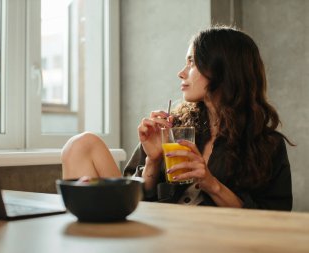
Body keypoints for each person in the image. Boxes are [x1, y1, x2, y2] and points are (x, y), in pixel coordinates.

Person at [61, 25, 294, 211]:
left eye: (192, 62)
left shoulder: (266, 144)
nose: (181, 72)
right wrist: (152, 161)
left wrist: (212, 185)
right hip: (158, 229)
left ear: (224, 70)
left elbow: (273, 217)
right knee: (82, 145)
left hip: (211, 240)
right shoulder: (175, 125)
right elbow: (137, 199)